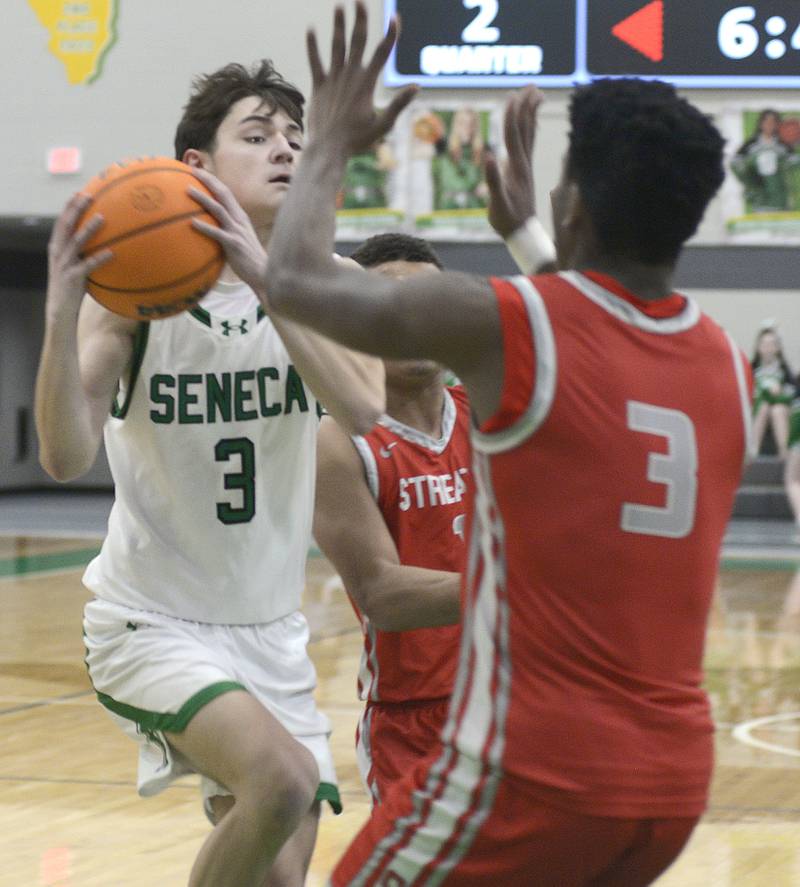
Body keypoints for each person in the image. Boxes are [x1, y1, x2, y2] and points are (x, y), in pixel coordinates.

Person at [261, 4, 754, 885]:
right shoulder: (718, 359)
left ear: (576, 203)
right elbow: (604, 334)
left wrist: (332, 139)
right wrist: (529, 233)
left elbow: (294, 280)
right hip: (673, 784)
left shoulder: (515, 322)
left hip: (534, 773)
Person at [34, 59, 385, 887]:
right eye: (257, 136)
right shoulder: (133, 292)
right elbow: (65, 455)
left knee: (276, 877)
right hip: (151, 620)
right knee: (284, 777)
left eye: (297, 138)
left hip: (271, 630)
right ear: (194, 167)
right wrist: (58, 311)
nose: (285, 151)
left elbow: (364, 407)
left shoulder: (332, 282)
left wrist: (270, 280)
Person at [313, 233, 468, 807]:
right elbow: (384, 594)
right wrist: (531, 592)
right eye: (389, 304)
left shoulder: (497, 417)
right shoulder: (339, 444)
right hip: (416, 725)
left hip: (525, 702)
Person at [730, 109, 800, 213]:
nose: (769, 125)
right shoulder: (751, 144)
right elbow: (735, 163)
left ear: (777, 125)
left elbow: (793, 161)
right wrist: (749, 182)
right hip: (760, 200)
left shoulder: (783, 144)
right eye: (766, 122)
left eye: (773, 122)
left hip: (781, 199)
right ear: (760, 123)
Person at [750, 325, 795, 458]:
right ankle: (754, 449)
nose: (768, 348)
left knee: (777, 410)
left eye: (772, 344)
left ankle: (784, 452)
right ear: (758, 347)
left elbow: (793, 392)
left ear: (777, 348)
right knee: (763, 407)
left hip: (780, 406)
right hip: (759, 406)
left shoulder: (784, 370)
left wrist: (781, 391)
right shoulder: (752, 369)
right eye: (764, 343)